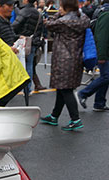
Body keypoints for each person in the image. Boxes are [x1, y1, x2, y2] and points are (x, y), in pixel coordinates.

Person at [39, 0, 90, 130]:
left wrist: (58, 15)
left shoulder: (63, 22)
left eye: (61, 7)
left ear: (67, 8)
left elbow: (48, 24)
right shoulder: (82, 18)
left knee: (66, 90)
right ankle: (54, 116)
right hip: (75, 58)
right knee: (62, 88)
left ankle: (75, 119)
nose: (59, 9)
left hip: (63, 59)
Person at [77, 0, 109, 111]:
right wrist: (102, 55)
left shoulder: (103, 11)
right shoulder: (107, 14)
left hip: (105, 51)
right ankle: (83, 93)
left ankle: (99, 102)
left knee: (105, 77)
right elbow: (102, 36)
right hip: (105, 52)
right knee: (106, 76)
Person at [12, 0, 42, 92]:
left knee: (17, 64)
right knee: (29, 65)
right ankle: (27, 89)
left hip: (22, 41)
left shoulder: (24, 11)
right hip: (32, 42)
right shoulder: (38, 13)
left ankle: (15, 86)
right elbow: (40, 29)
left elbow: (14, 26)